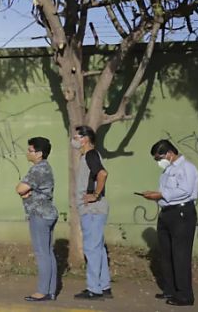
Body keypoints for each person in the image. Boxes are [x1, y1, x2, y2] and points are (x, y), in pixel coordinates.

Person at [140, 140, 198, 307]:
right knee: (166, 254)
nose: (158, 162)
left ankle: (185, 295)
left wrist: (159, 195)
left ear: (169, 154)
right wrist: (155, 194)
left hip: (181, 213)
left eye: (159, 158)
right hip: (166, 213)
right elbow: (165, 193)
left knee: (180, 255)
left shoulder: (186, 168)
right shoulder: (168, 170)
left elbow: (185, 190)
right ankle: (170, 289)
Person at [72, 125, 112, 300]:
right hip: (95, 209)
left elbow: (102, 174)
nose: (74, 140)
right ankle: (104, 286)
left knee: (91, 248)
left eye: (77, 136)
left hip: (93, 209)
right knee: (98, 248)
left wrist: (94, 195)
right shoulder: (87, 156)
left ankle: (94, 289)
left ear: (85, 139)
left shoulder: (90, 155)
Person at [16, 137, 58, 302]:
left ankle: (42, 291)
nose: (28, 152)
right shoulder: (46, 167)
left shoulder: (38, 169)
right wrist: (27, 192)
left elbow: (20, 188)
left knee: (42, 254)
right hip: (47, 213)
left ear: (39, 153)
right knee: (48, 253)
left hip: (39, 215)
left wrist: (26, 192)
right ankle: (51, 290)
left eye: (30, 150)